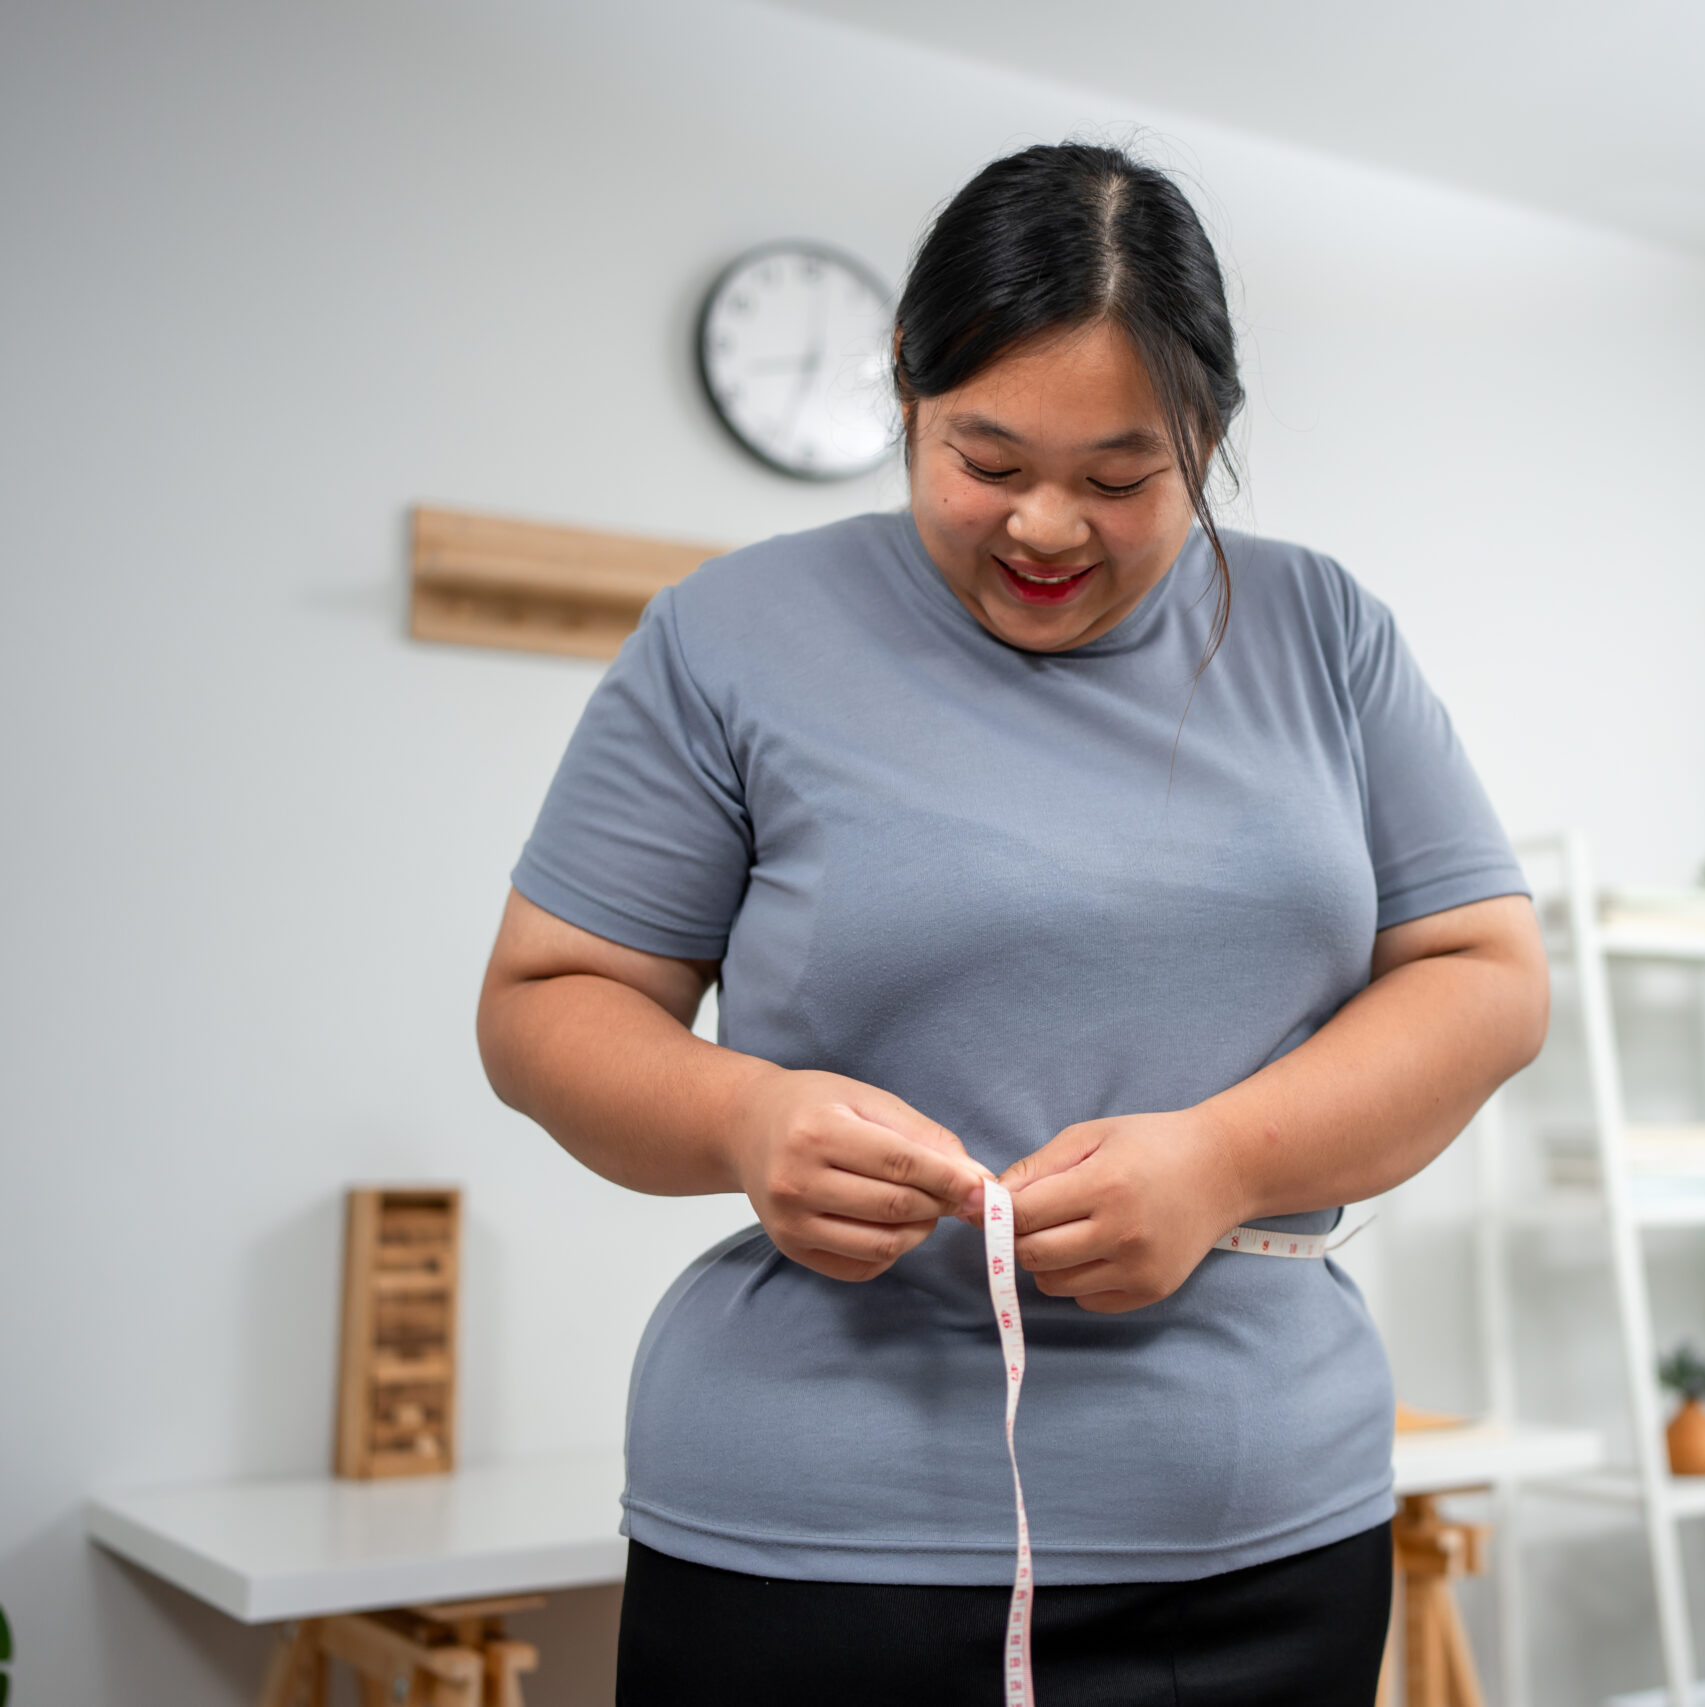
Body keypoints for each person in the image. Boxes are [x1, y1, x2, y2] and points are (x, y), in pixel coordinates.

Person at [477, 141, 1547, 1706]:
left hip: (1262, 1539)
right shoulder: (729, 637)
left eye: (1121, 479)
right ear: (905, 389)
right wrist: (743, 1117)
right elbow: (544, 1003)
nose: (1047, 527)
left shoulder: (1322, 632)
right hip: (816, 1546)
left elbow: (1488, 977)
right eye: (986, 461)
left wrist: (1224, 1161)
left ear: (1209, 436)